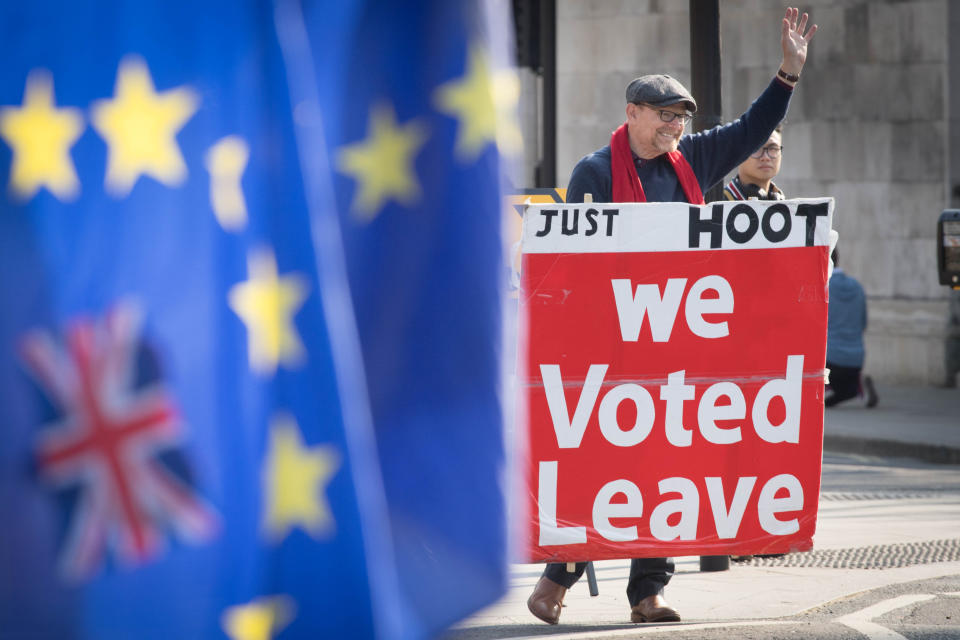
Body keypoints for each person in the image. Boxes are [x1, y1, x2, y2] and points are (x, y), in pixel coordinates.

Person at [526, 6, 817, 626]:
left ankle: (647, 594)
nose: (676, 128)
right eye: (665, 117)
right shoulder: (594, 174)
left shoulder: (694, 159)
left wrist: (787, 74)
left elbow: (749, 129)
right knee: (601, 466)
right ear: (632, 114)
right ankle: (557, 577)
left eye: (683, 119)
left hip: (675, 344)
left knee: (666, 467)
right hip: (612, 346)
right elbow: (577, 271)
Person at [825, 247, 878, 407]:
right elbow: (863, 324)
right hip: (856, 359)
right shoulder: (856, 286)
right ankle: (857, 387)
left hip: (829, 361)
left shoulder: (822, 287)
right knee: (842, 390)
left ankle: (854, 390)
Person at [723, 123, 785, 201]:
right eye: (756, 148)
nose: (766, 157)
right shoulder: (714, 205)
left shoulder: (787, 207)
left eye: (773, 148)